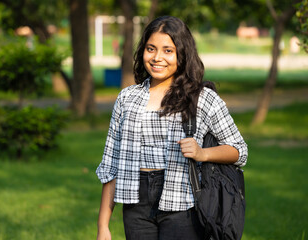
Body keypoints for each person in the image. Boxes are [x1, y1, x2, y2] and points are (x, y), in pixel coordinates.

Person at [96, 16, 248, 240]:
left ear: (182, 54)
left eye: (168, 50)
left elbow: (239, 151)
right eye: (151, 48)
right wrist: (103, 226)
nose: (157, 58)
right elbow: (111, 163)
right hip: (135, 204)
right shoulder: (127, 98)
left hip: (183, 205)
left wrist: (202, 153)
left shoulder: (202, 98)